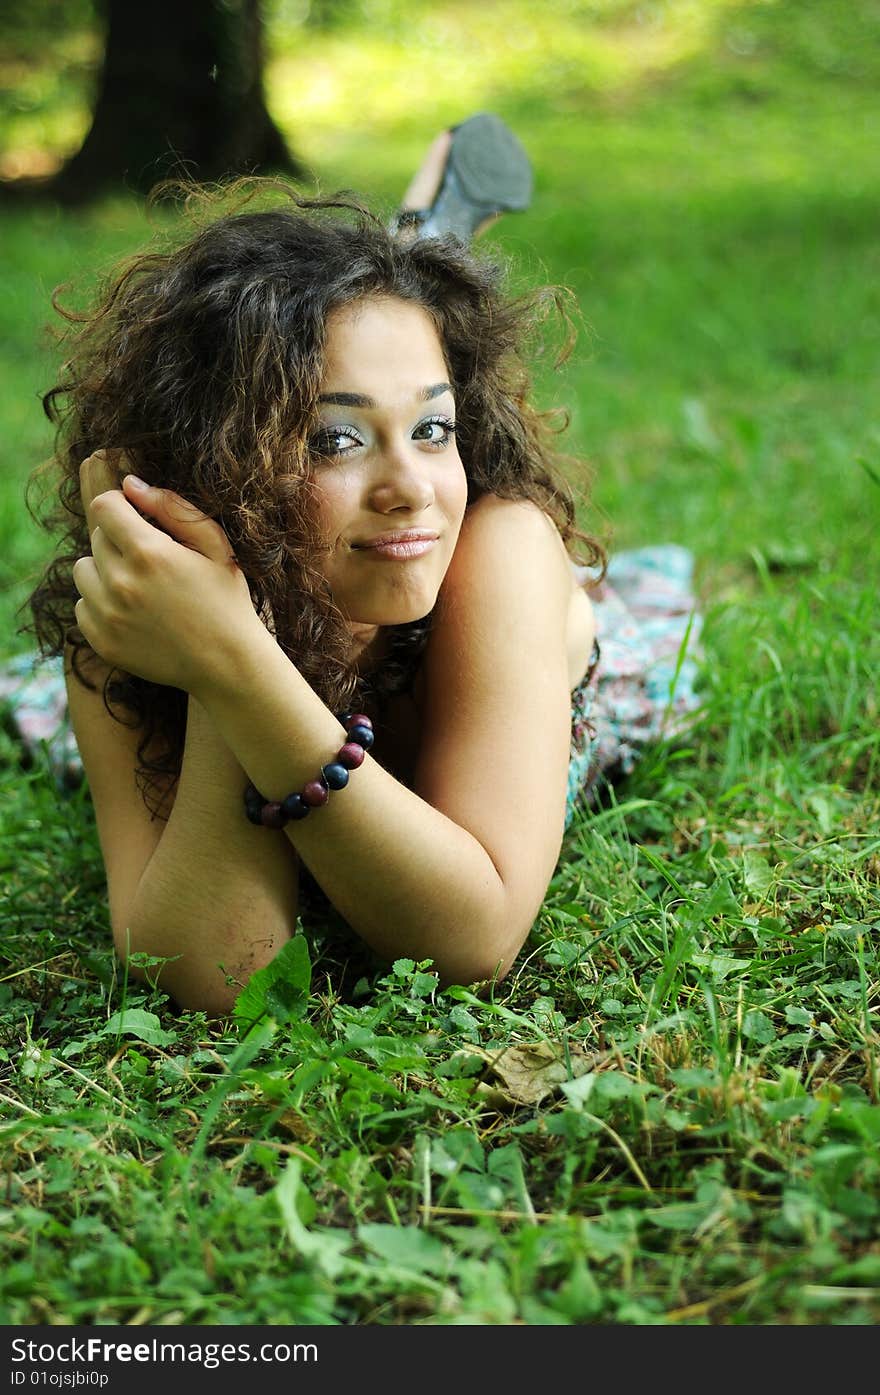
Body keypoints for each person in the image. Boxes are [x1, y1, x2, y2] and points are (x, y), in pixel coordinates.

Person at [10, 116, 702, 1017]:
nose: (411, 489)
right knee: (372, 319)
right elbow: (222, 978)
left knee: (392, 316)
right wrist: (231, 626)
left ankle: (418, 248)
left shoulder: (499, 554)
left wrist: (231, 659)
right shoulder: (137, 607)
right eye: (333, 439)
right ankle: (411, 253)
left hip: (522, 640)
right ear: (212, 466)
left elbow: (474, 935)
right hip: (264, 577)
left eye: (434, 428)